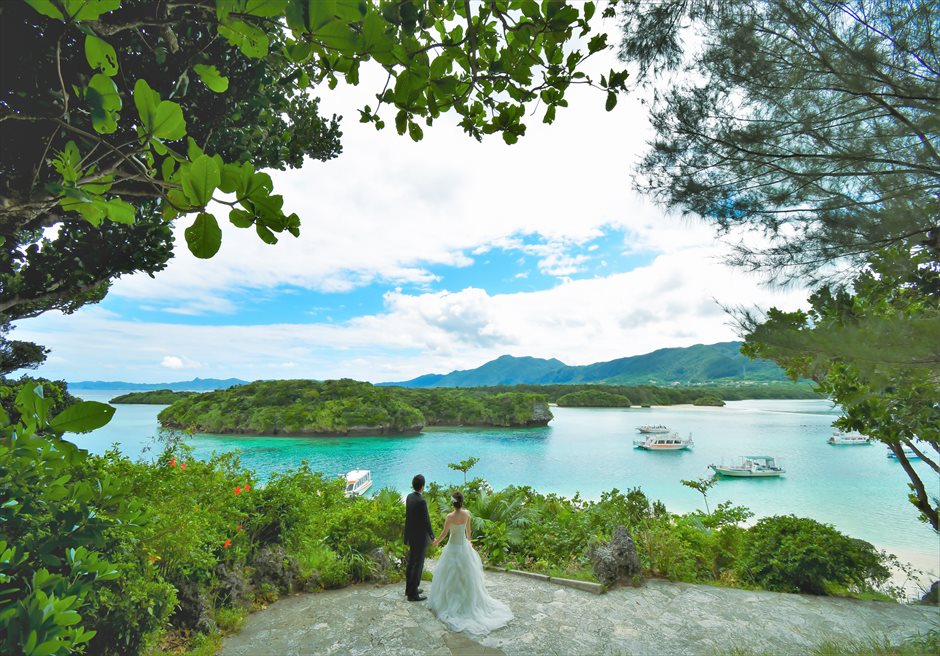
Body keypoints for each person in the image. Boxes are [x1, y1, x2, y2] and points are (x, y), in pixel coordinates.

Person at [428, 491, 513, 635]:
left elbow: (444, 533)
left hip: (452, 548)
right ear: (461, 502)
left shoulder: (449, 517)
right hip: (464, 548)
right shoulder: (467, 514)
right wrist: (469, 543)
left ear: (452, 503)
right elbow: (468, 532)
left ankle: (450, 603)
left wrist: (435, 542)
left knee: (450, 577)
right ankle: (467, 603)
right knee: (467, 577)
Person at [403, 474, 434, 601]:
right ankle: (413, 594)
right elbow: (426, 521)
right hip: (420, 538)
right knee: (418, 564)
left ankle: (410, 588)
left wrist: (406, 537)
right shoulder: (421, 501)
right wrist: (432, 536)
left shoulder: (409, 497)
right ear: (422, 486)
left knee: (411, 563)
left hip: (411, 536)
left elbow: (408, 518)